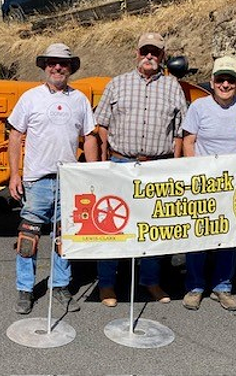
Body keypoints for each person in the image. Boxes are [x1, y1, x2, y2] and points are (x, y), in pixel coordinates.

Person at [94, 32, 188, 307]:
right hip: (120, 162)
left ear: (162, 56)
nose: (149, 56)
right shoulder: (117, 84)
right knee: (112, 224)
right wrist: (102, 164)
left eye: (155, 52)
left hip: (157, 166)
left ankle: (151, 281)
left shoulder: (173, 87)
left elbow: (180, 132)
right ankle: (107, 284)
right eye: (145, 51)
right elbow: (102, 126)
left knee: (152, 227)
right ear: (136, 53)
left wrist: (177, 165)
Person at [7, 43, 98, 314]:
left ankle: (60, 287)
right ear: (45, 66)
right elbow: (15, 136)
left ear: (70, 68)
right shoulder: (30, 98)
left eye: (63, 63)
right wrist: (15, 174)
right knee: (28, 237)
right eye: (52, 62)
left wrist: (92, 174)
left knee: (64, 237)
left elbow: (90, 136)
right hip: (37, 181)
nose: (57, 67)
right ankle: (25, 289)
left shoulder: (79, 100)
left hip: (69, 181)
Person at [182, 55, 236, 311]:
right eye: (221, 79)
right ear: (212, 81)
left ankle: (223, 286)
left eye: (231, 80)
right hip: (204, 183)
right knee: (199, 235)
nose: (225, 85)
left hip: (232, 185)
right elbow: (188, 141)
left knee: (229, 236)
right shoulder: (199, 107)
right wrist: (193, 172)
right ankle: (195, 286)